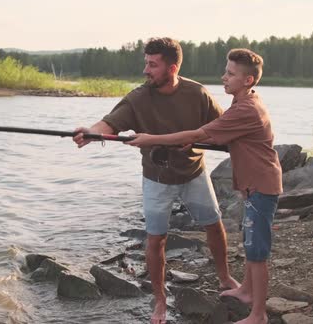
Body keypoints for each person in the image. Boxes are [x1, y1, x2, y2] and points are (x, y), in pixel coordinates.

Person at [73, 37, 240, 324]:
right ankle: (160, 300)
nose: (145, 70)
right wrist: (91, 132)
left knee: (214, 224)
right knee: (155, 239)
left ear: (172, 68)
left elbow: (222, 128)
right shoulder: (139, 97)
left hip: (194, 173)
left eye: (152, 64)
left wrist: (206, 140)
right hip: (156, 178)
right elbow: (110, 123)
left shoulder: (197, 94)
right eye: (145, 63)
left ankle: (225, 278)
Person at [126, 48, 283, 324]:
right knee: (250, 244)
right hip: (254, 186)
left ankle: (258, 315)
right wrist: (198, 140)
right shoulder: (244, 101)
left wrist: (151, 139)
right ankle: (245, 291)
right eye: (226, 71)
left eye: (230, 74)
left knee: (257, 252)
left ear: (247, 80)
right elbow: (219, 135)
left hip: (261, 186)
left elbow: (201, 132)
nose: (223, 77)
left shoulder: (246, 108)